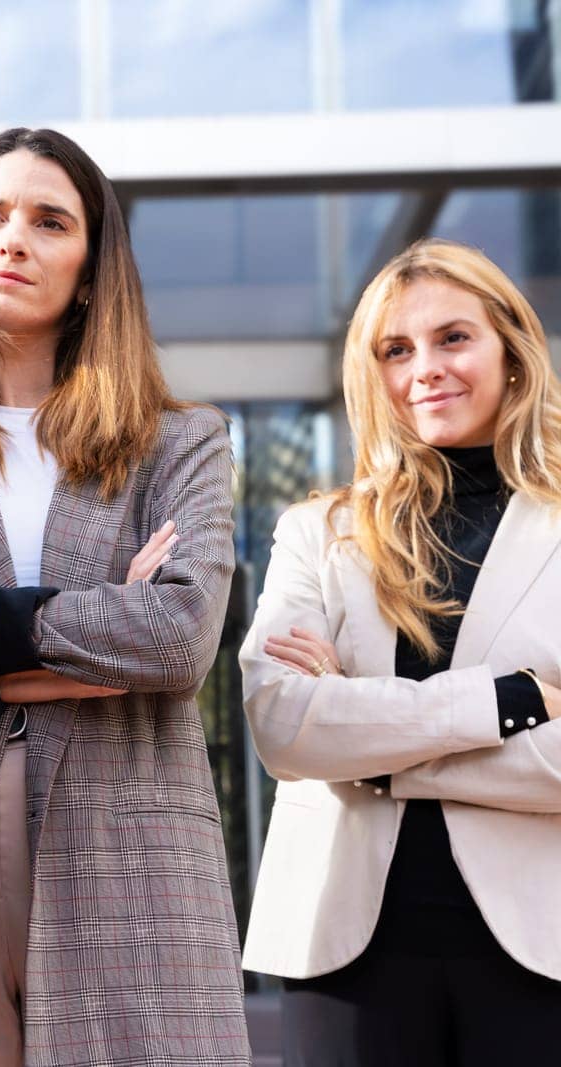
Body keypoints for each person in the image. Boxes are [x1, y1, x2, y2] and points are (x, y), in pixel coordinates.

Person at [0, 128, 249, 1067]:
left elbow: (182, 637)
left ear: (92, 264)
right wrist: (97, 635)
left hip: (130, 861)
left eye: (48, 220)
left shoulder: (179, 441)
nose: (11, 238)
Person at [240, 238, 561, 1066]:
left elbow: (329, 736)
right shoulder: (317, 532)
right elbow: (285, 725)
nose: (426, 368)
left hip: (542, 943)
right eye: (395, 349)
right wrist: (509, 701)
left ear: (511, 350)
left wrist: (373, 752)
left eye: (454, 337)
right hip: (341, 943)